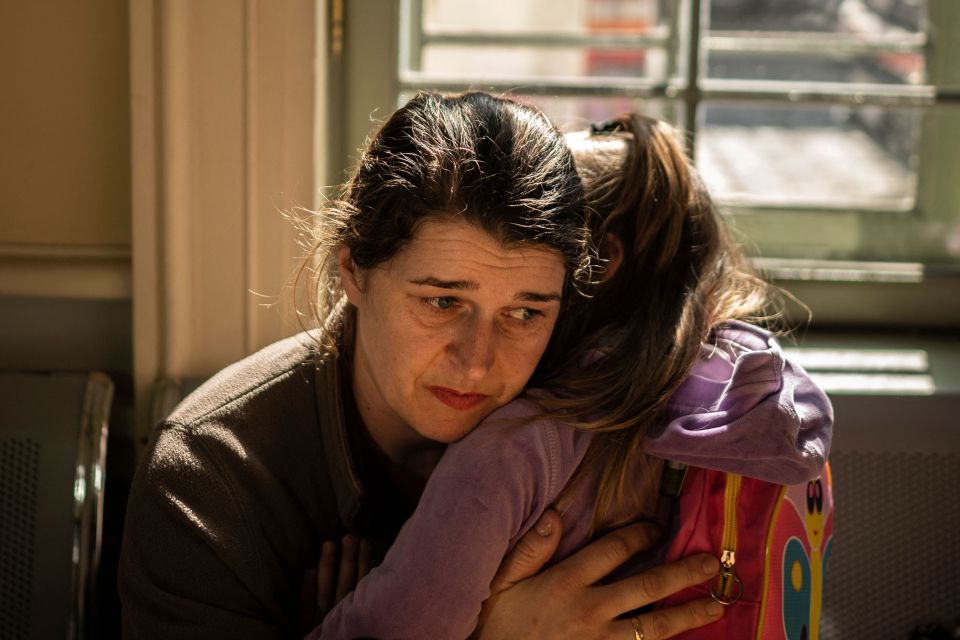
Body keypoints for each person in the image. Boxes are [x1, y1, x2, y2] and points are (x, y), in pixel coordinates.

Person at [118, 92, 726, 639]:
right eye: (442, 302)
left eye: (523, 314)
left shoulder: (586, 441)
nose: (477, 364)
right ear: (353, 270)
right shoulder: (209, 479)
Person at [314, 114, 834, 639]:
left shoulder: (518, 450)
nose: (476, 362)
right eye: (444, 301)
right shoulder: (769, 417)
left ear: (592, 261)